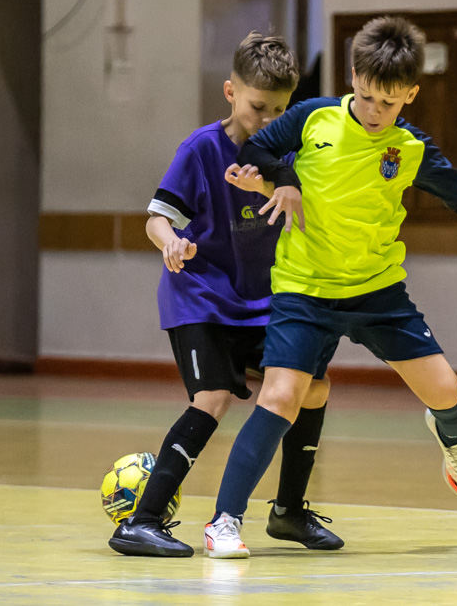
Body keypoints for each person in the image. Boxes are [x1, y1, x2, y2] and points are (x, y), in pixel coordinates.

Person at [210, 15, 457, 558]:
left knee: (448, 394)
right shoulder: (313, 117)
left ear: (410, 95)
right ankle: (224, 522)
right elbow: (253, 150)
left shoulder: (410, 147)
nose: (375, 111)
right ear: (353, 77)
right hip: (305, 289)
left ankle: (452, 437)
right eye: (365, 96)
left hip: (377, 293)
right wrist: (286, 180)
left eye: (388, 101)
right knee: (281, 396)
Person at [108, 32, 343, 558]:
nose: (268, 119)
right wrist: (171, 243)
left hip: (263, 304)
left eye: (280, 110)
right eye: (259, 107)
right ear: (230, 92)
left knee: (312, 388)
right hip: (201, 299)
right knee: (212, 399)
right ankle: (141, 522)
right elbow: (156, 218)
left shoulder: (289, 154)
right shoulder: (200, 150)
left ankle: (288, 512)